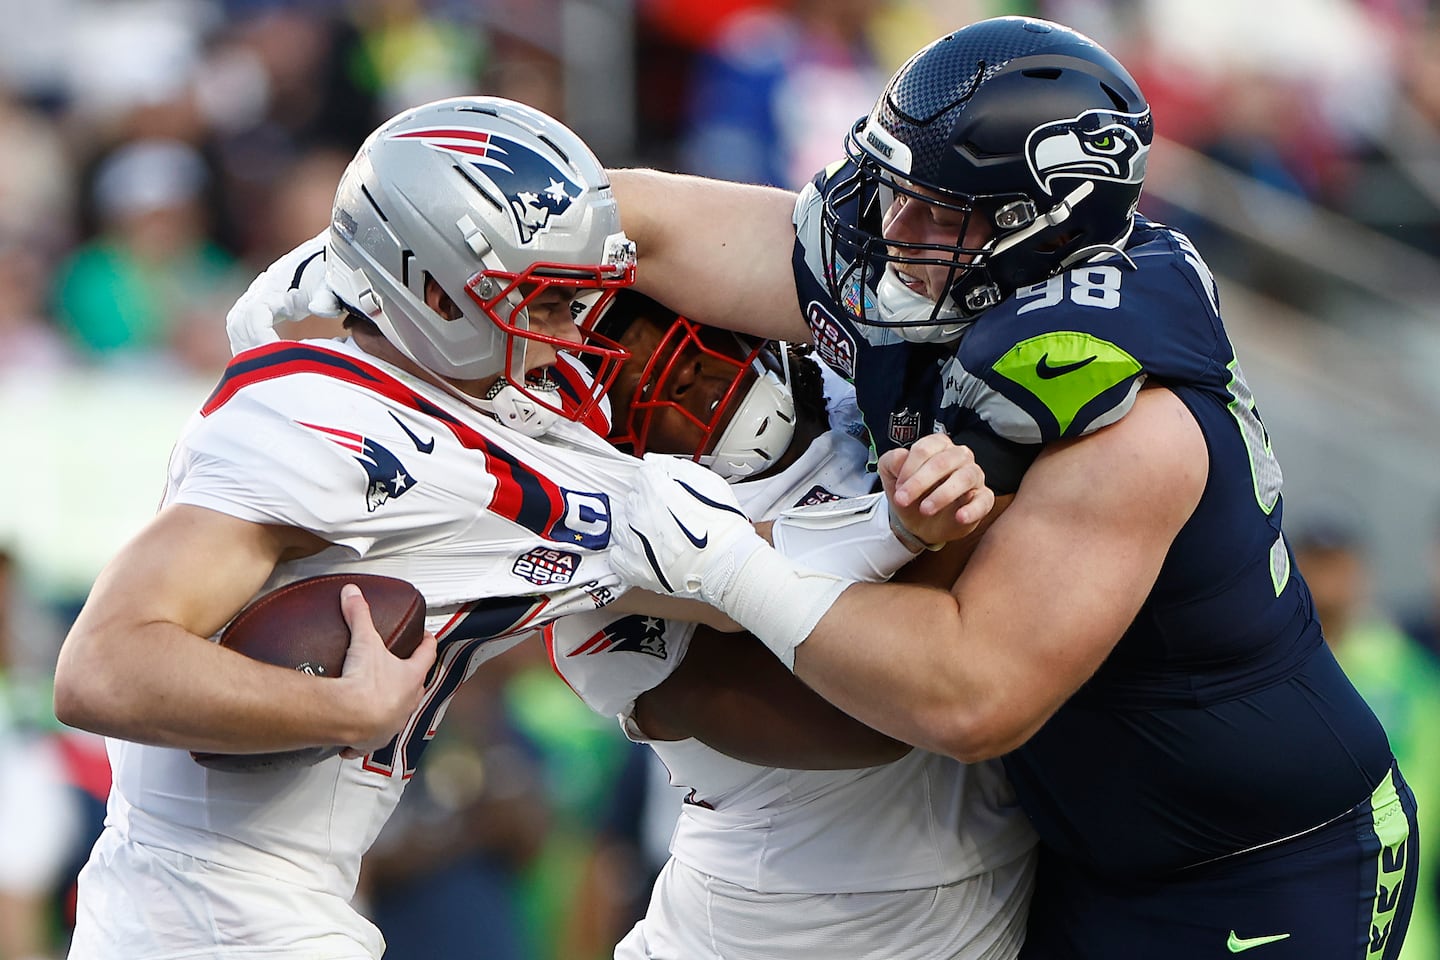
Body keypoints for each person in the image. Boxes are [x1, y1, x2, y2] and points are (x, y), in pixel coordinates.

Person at [601, 15, 1419, 959]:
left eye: (938, 210)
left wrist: (698, 559)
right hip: (1087, 855)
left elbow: (969, 697)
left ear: (1042, 227)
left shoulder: (1134, 427)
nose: (892, 232)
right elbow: (635, 224)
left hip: (1266, 866)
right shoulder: (940, 285)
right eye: (894, 191)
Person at [51, 95, 649, 959]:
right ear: (436, 289)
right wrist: (342, 705)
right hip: (217, 928)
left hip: (240, 913)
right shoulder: (319, 418)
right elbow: (100, 667)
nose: (567, 338)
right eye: (546, 302)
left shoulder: (431, 426)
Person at [548, 292, 1036, 959]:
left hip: (983, 908)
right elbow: (877, 717)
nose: (676, 372)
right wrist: (964, 496)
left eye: (669, 332)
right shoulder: (604, 579)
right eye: (619, 379)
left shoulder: (857, 389)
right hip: (755, 940)